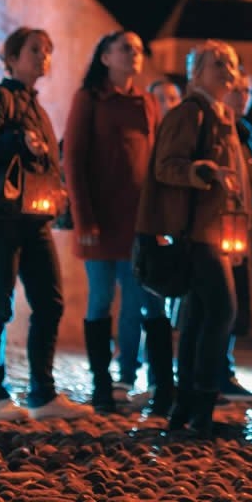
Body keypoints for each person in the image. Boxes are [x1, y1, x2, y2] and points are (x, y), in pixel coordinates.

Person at [0, 26, 94, 421]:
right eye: (35, 49)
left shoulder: (37, 109)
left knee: (50, 303)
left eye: (48, 50)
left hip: (34, 222)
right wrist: (16, 142)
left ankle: (43, 393)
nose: (43, 56)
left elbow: (46, 166)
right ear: (12, 57)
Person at [145, 39, 252, 435]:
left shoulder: (220, 114)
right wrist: (203, 172)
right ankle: (200, 402)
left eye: (232, 63)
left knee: (198, 318)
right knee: (222, 310)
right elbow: (166, 166)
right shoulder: (190, 113)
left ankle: (188, 409)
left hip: (215, 232)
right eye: (218, 63)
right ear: (196, 72)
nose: (227, 70)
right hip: (195, 233)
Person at [62, 31, 166, 413]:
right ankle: (101, 384)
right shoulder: (89, 99)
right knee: (102, 297)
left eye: (139, 50)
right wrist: (84, 218)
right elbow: (73, 159)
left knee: (140, 300)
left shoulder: (147, 102)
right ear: (105, 56)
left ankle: (132, 377)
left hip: (138, 221)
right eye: (126, 49)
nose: (134, 55)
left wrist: (158, 219)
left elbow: (153, 162)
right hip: (100, 219)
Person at [218, 66, 252, 398]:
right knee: (220, 302)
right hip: (220, 228)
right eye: (237, 90)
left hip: (240, 230)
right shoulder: (221, 132)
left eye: (247, 92)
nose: (242, 97)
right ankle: (212, 371)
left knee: (232, 303)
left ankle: (223, 368)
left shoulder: (245, 136)